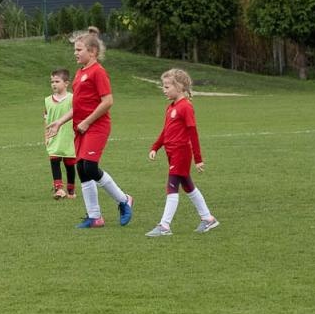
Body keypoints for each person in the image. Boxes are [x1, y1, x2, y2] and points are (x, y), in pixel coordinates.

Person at [45, 28, 134, 229]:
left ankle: (124, 199)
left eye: (79, 49)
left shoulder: (98, 72)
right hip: (81, 128)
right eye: (74, 50)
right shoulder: (79, 73)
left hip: (96, 126)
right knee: (82, 169)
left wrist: (87, 121)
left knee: (90, 167)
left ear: (92, 51)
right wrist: (60, 122)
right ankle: (95, 217)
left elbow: (108, 101)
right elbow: (77, 105)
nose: (75, 53)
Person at [145, 69, 219, 236]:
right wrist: (155, 147)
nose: (164, 90)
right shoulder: (170, 107)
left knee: (172, 186)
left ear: (179, 87)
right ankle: (208, 219)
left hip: (181, 153)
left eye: (166, 86)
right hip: (171, 153)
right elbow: (166, 131)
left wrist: (198, 159)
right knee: (189, 187)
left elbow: (193, 133)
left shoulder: (185, 107)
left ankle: (164, 226)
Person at [44, 69, 77, 200]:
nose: (54, 84)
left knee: (69, 163)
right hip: (54, 136)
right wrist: (46, 136)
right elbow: (46, 119)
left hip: (69, 136)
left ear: (66, 83)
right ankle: (59, 188)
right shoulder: (47, 100)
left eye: (57, 81)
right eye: (52, 81)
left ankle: (71, 189)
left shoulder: (73, 98)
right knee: (54, 160)